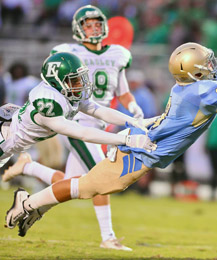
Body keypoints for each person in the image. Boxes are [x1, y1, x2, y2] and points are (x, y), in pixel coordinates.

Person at [5, 42, 217, 243]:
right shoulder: (200, 92)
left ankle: (34, 202)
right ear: (193, 69)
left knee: (84, 185)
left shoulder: (193, 88)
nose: (212, 66)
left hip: (145, 148)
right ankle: (29, 203)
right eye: (206, 63)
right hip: (140, 151)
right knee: (84, 187)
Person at [3, 5, 145, 251]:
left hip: (20, 139)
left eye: (81, 77)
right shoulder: (51, 101)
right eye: (76, 79)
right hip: (11, 139)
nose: (82, 83)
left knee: (75, 182)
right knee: (101, 178)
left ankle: (29, 179)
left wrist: (132, 119)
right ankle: (105, 236)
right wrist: (124, 141)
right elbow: (81, 132)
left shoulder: (71, 90)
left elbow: (98, 109)